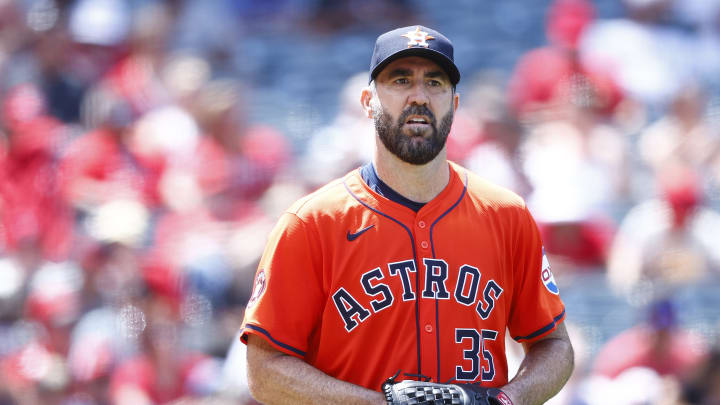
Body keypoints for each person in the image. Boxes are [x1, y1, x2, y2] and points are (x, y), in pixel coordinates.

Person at [240, 26, 574, 405]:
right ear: (368, 101)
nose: (419, 96)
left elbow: (554, 345)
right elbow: (264, 371)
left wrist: (506, 400)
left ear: (455, 104)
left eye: (434, 83)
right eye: (400, 80)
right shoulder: (313, 223)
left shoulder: (506, 215)